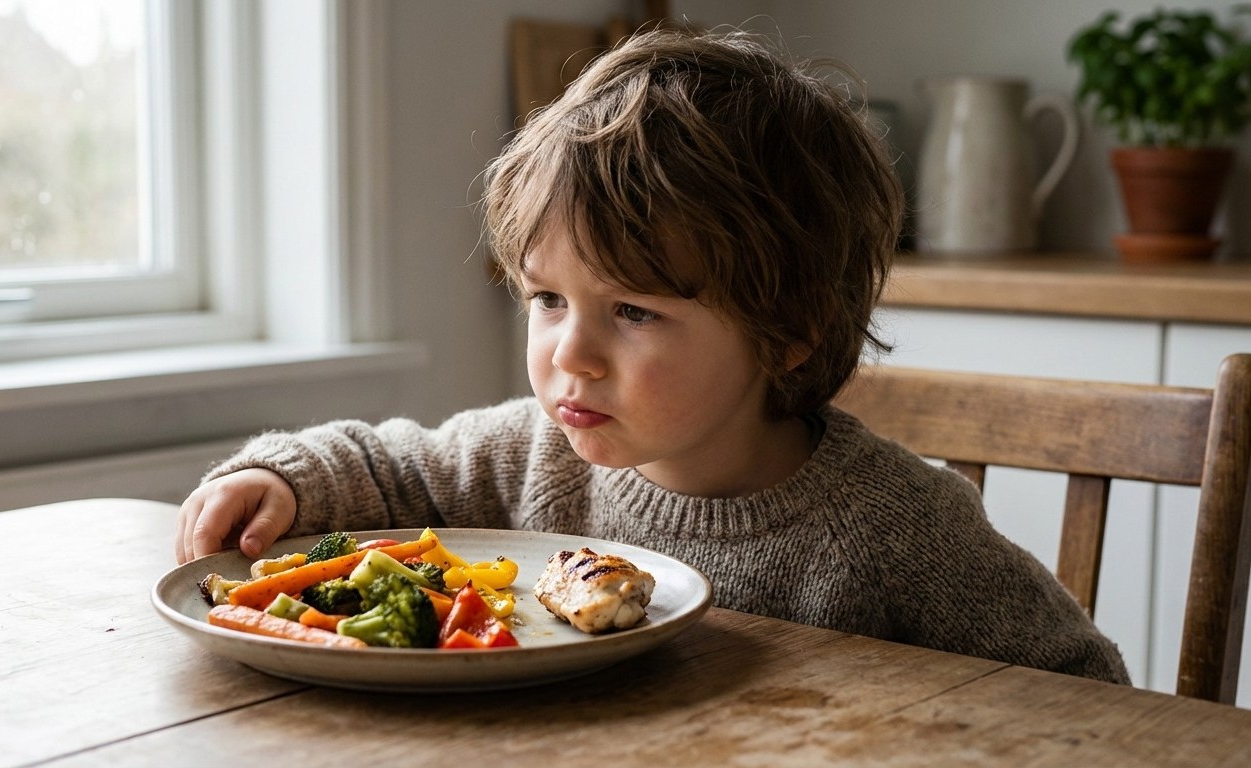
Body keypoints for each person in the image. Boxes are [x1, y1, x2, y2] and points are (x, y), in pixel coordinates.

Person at [176, 27, 1130, 685]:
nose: (570, 356)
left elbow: (1085, 687)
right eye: (547, 300)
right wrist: (283, 480)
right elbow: (390, 464)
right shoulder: (530, 456)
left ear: (787, 326)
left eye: (632, 310)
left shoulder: (893, 527)